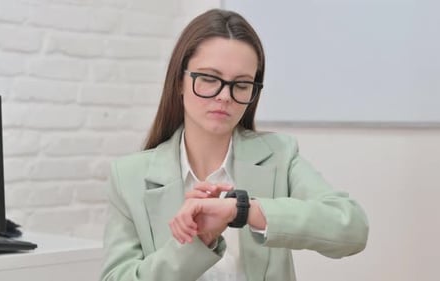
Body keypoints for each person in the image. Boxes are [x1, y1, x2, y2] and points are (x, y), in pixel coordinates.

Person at [100, 8, 369, 281]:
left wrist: (242, 210)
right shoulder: (128, 176)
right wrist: (199, 242)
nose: (225, 96)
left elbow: (351, 227)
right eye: (208, 79)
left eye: (241, 84)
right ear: (179, 81)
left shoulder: (279, 155)